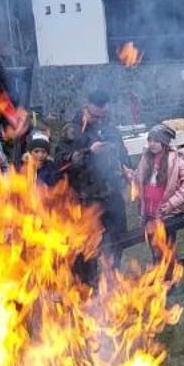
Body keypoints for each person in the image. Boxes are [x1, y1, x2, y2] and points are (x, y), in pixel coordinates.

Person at [51, 87, 132, 274]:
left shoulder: (110, 127)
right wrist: (89, 152)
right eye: (96, 116)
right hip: (85, 198)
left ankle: (112, 278)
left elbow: (122, 152)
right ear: (86, 107)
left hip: (112, 194)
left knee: (118, 239)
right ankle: (89, 284)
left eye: (103, 115)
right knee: (88, 245)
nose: (99, 120)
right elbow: (61, 161)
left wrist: (127, 167)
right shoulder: (72, 130)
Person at [135, 123, 184, 230]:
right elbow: (139, 177)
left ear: (164, 142)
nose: (152, 144)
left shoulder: (177, 161)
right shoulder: (146, 158)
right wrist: (131, 175)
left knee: (167, 244)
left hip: (168, 214)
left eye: (156, 141)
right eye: (150, 140)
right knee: (152, 243)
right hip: (149, 213)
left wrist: (172, 203)